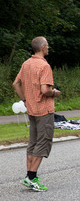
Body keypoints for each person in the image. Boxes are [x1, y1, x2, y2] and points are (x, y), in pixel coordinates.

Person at [12, 36, 61, 192]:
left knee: (33, 142)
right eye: (47, 45)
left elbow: (16, 83)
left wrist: (25, 100)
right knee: (43, 141)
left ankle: (28, 176)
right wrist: (55, 93)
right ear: (43, 47)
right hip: (44, 109)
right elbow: (45, 90)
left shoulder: (26, 64)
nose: (49, 48)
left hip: (31, 109)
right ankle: (32, 177)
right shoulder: (44, 66)